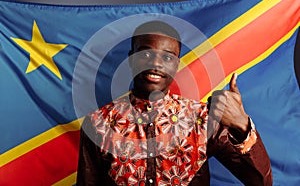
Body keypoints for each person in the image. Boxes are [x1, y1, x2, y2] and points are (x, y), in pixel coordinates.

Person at [76, 21, 272, 185]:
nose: (156, 63)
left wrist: (241, 123)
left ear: (176, 64)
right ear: (130, 59)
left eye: (167, 57)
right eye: (145, 54)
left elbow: (260, 181)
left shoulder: (203, 120)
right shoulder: (98, 124)